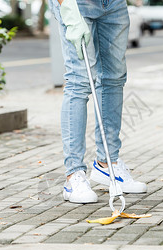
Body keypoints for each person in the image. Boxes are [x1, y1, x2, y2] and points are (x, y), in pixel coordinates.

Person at [49, 0, 147, 204]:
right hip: (75, 4)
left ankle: (107, 163)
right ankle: (73, 175)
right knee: (79, 79)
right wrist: (67, 7)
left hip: (114, 4)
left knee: (114, 78)